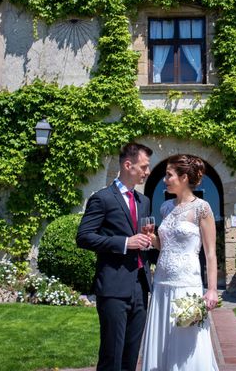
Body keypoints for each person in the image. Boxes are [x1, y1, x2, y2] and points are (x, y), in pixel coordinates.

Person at [76, 142, 154, 371]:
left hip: (140, 286)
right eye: (144, 167)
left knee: (131, 356)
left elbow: (141, 235)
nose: (147, 172)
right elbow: (84, 237)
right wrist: (125, 243)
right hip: (113, 286)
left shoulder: (144, 201)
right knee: (112, 356)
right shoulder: (102, 198)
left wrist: (146, 241)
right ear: (128, 165)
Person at [141, 154, 219, 371]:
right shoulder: (166, 207)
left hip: (187, 285)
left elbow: (211, 253)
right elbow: (164, 245)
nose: (165, 180)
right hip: (162, 284)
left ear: (184, 177)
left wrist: (212, 290)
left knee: (186, 345)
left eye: (169, 175)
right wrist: (151, 239)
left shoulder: (202, 208)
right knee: (162, 341)